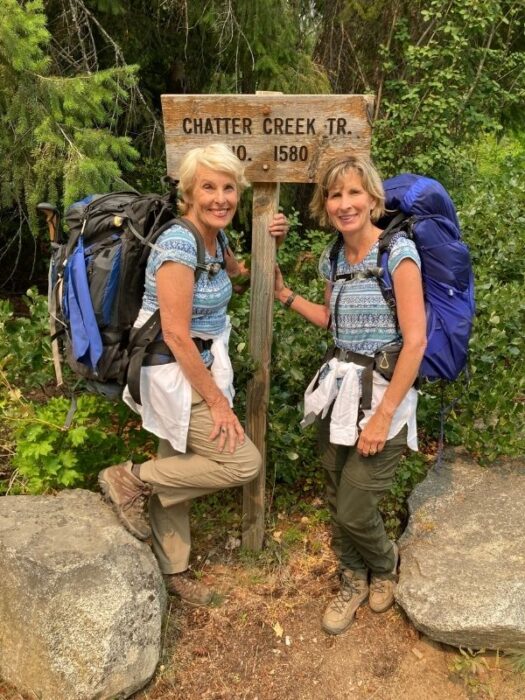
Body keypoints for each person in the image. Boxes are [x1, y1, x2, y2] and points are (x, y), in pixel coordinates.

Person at [99, 143, 288, 606]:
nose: (221, 198)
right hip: (171, 368)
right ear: (189, 192)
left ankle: (173, 568)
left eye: (228, 188)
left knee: (177, 463)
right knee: (242, 462)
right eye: (209, 187)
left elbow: (238, 276)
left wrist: (272, 243)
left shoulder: (215, 239)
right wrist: (220, 404)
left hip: (196, 366)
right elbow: (178, 335)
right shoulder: (178, 243)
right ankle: (129, 476)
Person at [274, 154, 426, 635]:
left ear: (373, 198)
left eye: (354, 193)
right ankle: (352, 578)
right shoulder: (333, 257)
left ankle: (384, 565)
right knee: (336, 489)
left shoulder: (397, 254)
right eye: (335, 195)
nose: (345, 204)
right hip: (337, 394)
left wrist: (383, 417)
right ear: (325, 204)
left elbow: (416, 340)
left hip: (384, 396)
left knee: (355, 506)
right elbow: (331, 321)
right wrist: (285, 296)